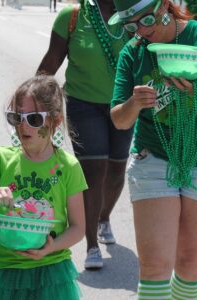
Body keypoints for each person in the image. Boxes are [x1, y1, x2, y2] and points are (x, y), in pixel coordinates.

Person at [109, 0, 197, 299]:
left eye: (146, 21)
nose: (141, 32)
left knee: (189, 264)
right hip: (153, 160)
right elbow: (119, 119)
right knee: (155, 266)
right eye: (131, 26)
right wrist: (133, 103)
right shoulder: (134, 51)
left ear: (165, 6)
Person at [0, 75, 87, 300]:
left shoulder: (68, 166)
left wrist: (50, 247)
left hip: (52, 271)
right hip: (7, 272)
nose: (23, 125)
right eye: (16, 117)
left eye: (34, 118)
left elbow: (78, 227)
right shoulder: (2, 159)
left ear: (55, 121)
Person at [37, 0, 133, 269]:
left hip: (123, 105)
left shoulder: (132, 13)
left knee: (116, 169)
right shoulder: (73, 16)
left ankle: (103, 218)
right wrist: (35, 102)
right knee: (94, 170)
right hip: (83, 104)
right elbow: (52, 60)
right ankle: (91, 243)